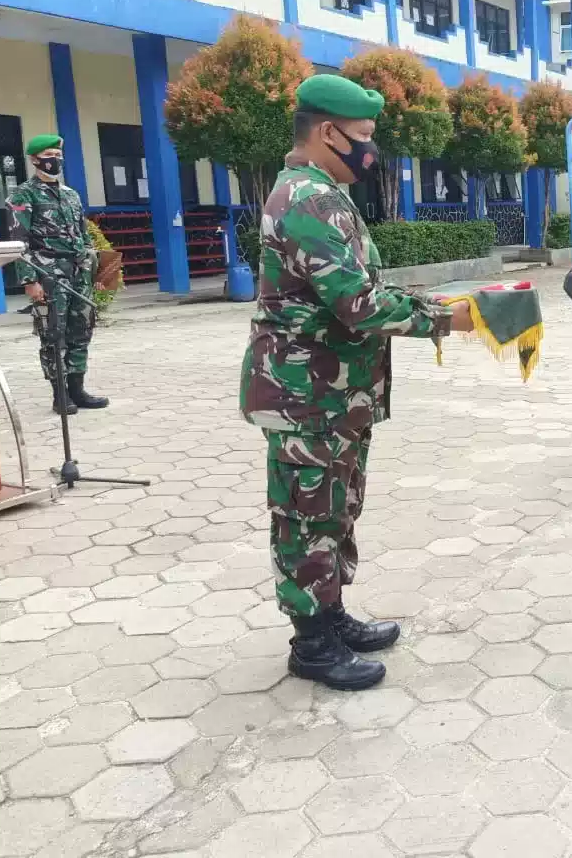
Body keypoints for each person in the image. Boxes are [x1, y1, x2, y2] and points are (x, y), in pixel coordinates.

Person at [240, 74, 473, 691]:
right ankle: (311, 643)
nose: (372, 151)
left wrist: (429, 301)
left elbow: (363, 287)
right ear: (328, 132)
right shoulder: (305, 199)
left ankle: (331, 613)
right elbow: (358, 305)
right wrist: (444, 319)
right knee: (307, 513)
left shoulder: (326, 193)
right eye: (365, 137)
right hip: (305, 395)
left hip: (335, 393)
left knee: (337, 509)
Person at [4, 134, 108, 415]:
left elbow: (84, 237)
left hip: (78, 272)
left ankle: (78, 389)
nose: (55, 160)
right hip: (48, 272)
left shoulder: (71, 194)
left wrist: (94, 269)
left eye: (59, 156)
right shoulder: (22, 195)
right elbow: (19, 240)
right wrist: (30, 280)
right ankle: (59, 394)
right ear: (35, 159)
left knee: (81, 330)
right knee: (53, 333)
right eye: (49, 155)